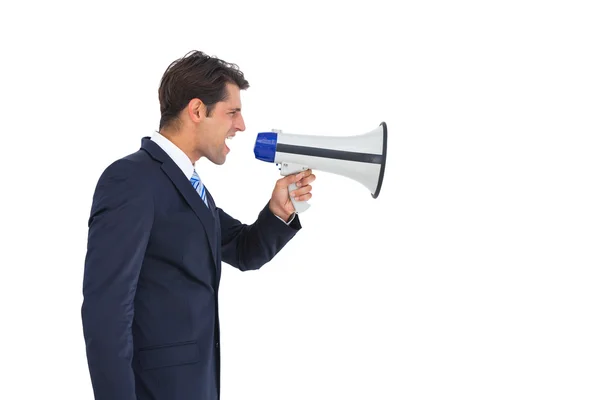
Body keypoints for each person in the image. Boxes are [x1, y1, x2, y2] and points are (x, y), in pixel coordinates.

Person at [81, 50, 316, 400]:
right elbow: (106, 311)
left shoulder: (190, 186)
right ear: (196, 111)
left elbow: (243, 249)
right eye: (232, 112)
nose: (241, 125)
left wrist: (278, 211)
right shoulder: (132, 180)